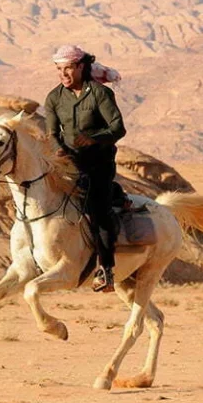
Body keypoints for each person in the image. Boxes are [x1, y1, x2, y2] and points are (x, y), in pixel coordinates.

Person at [44, 45, 127, 292]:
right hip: (68, 164)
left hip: (99, 164)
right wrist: (59, 149)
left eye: (68, 68)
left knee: (96, 209)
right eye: (59, 69)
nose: (63, 74)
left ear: (81, 67)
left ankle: (106, 269)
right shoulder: (54, 98)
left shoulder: (100, 94)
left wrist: (95, 139)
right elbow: (51, 132)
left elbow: (118, 128)